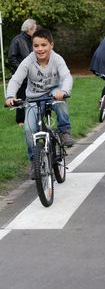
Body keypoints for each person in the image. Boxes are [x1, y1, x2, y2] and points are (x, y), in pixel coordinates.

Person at [5, 28, 74, 179]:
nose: (40, 49)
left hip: (53, 93)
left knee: (60, 103)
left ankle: (64, 131)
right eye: (36, 46)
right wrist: (10, 96)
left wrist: (64, 91)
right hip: (33, 98)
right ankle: (34, 162)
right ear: (32, 47)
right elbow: (16, 79)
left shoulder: (57, 59)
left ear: (51, 45)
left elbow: (67, 77)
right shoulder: (28, 61)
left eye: (44, 45)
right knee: (29, 130)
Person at [8, 19, 38, 125]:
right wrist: (22, 68)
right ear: (29, 30)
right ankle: (20, 120)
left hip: (33, 74)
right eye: (35, 29)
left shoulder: (33, 40)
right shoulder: (17, 40)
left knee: (33, 95)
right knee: (21, 96)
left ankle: (34, 116)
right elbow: (11, 57)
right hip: (21, 75)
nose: (36, 30)